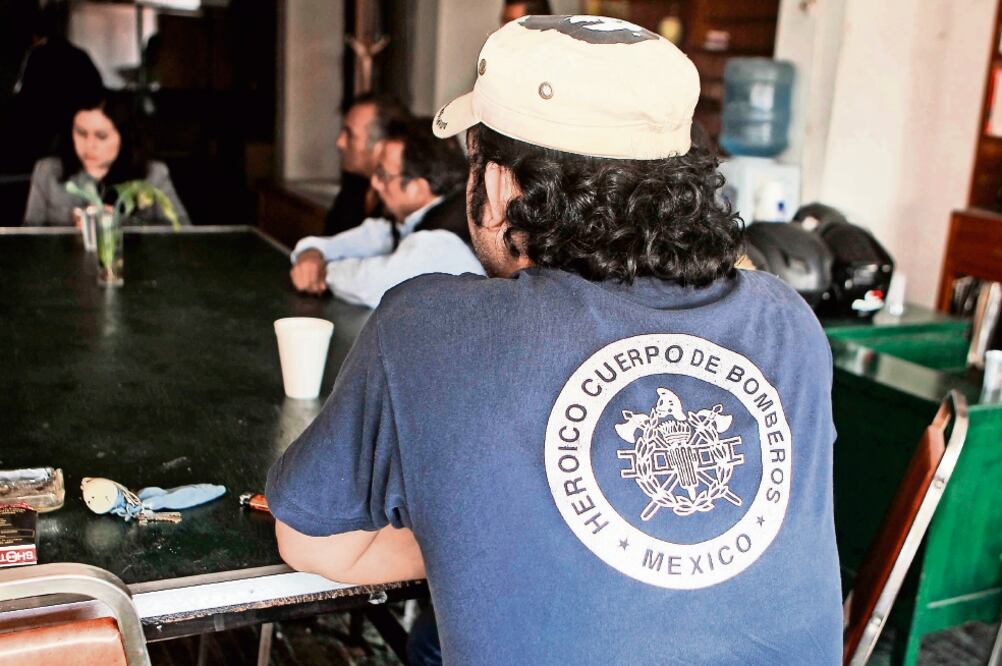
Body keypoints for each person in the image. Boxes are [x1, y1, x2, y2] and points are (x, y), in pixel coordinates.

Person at [267, 15, 842, 665]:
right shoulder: (788, 322)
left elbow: (314, 540)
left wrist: (473, 520)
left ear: (501, 183)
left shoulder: (428, 327)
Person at [288, 117, 483, 308]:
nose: (374, 183)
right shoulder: (410, 219)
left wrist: (321, 272)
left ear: (417, 188)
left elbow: (376, 286)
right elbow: (360, 239)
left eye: (383, 175)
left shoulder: (440, 242)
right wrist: (311, 254)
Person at [23, 91, 190, 226]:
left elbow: (183, 232)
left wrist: (124, 224)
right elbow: (29, 240)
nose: (89, 145)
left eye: (101, 136)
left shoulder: (153, 173)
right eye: (81, 133)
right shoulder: (48, 171)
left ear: (124, 138)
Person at [322, 93, 411, 236]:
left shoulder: (403, 198)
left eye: (350, 135)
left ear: (382, 144)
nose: (339, 143)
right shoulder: (354, 184)